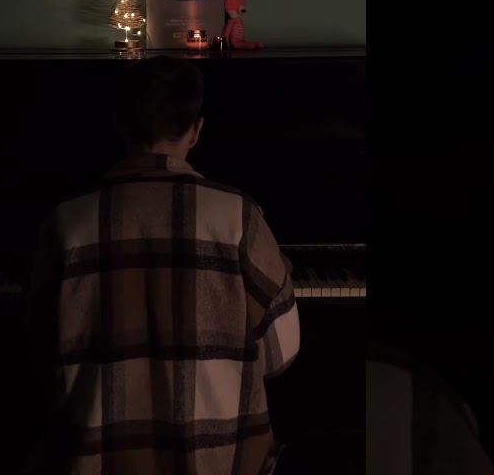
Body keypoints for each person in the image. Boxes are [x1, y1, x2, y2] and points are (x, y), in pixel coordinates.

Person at [21, 56, 300, 474]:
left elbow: (37, 351)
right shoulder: (240, 217)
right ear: (196, 130)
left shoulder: (65, 221)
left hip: (98, 461)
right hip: (218, 460)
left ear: (119, 125)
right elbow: (282, 354)